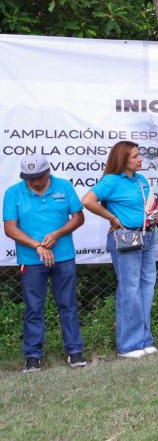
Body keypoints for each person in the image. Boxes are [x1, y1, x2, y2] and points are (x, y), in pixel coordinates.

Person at [4, 155, 86, 372]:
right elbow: (10, 228)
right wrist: (36, 245)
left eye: (39, 177)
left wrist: (58, 233)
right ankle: (32, 355)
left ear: (48, 172)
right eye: (30, 178)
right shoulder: (14, 192)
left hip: (64, 257)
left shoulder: (64, 187)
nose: (35, 182)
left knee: (67, 304)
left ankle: (74, 351)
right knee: (34, 307)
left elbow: (78, 217)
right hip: (31, 260)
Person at [82, 140, 158, 357]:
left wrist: (154, 215)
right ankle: (128, 345)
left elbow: (146, 205)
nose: (140, 159)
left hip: (147, 235)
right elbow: (88, 201)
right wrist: (113, 218)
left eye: (139, 155)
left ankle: (144, 339)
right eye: (135, 156)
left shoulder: (141, 179)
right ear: (123, 159)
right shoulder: (111, 180)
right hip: (126, 237)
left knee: (147, 286)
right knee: (130, 288)